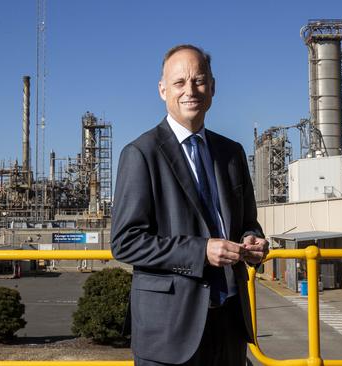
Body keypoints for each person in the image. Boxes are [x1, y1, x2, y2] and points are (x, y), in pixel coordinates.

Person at [111, 44, 269, 366]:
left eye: (198, 80)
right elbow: (125, 242)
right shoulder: (141, 154)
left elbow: (247, 222)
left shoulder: (232, 152)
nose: (190, 90)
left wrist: (253, 240)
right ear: (162, 90)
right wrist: (201, 251)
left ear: (212, 87)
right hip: (170, 330)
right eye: (180, 82)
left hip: (229, 323)